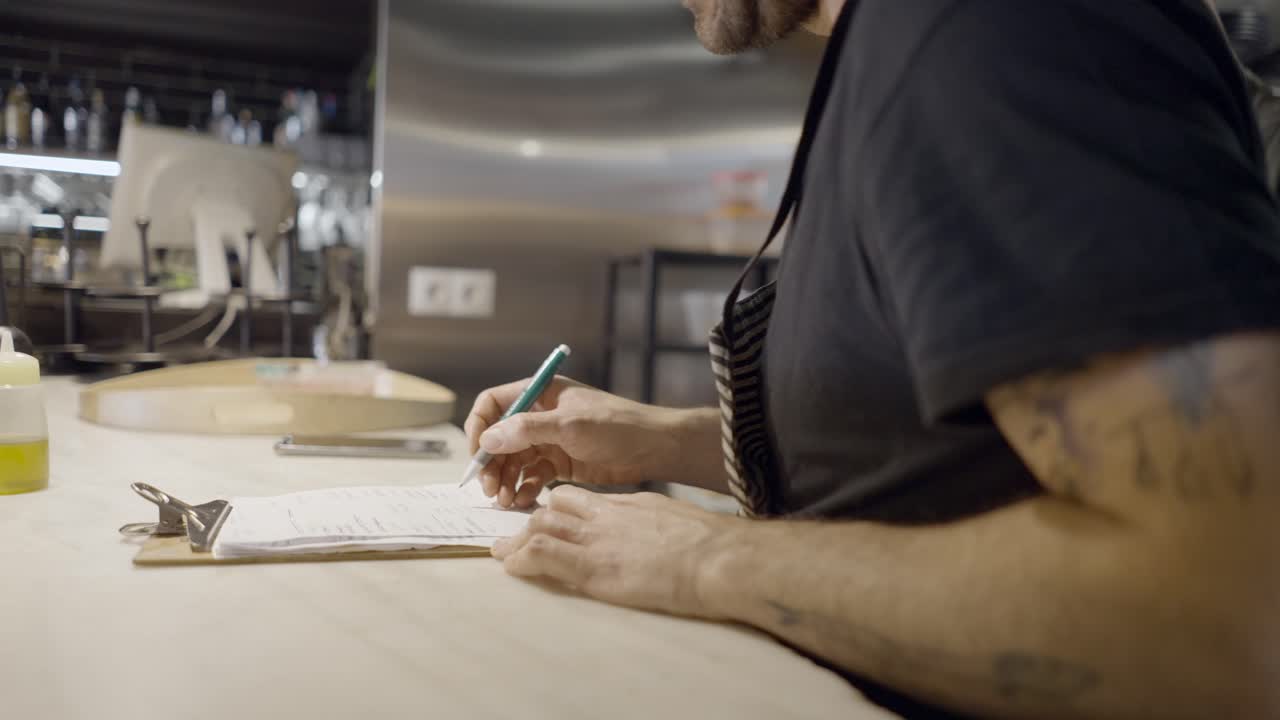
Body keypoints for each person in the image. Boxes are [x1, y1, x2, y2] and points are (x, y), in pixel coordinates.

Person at [465, 1, 1280, 717]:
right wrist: (665, 438)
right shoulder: (902, 38)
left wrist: (711, 557)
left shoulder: (987, 24)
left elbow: (1219, 617)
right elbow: (939, 449)